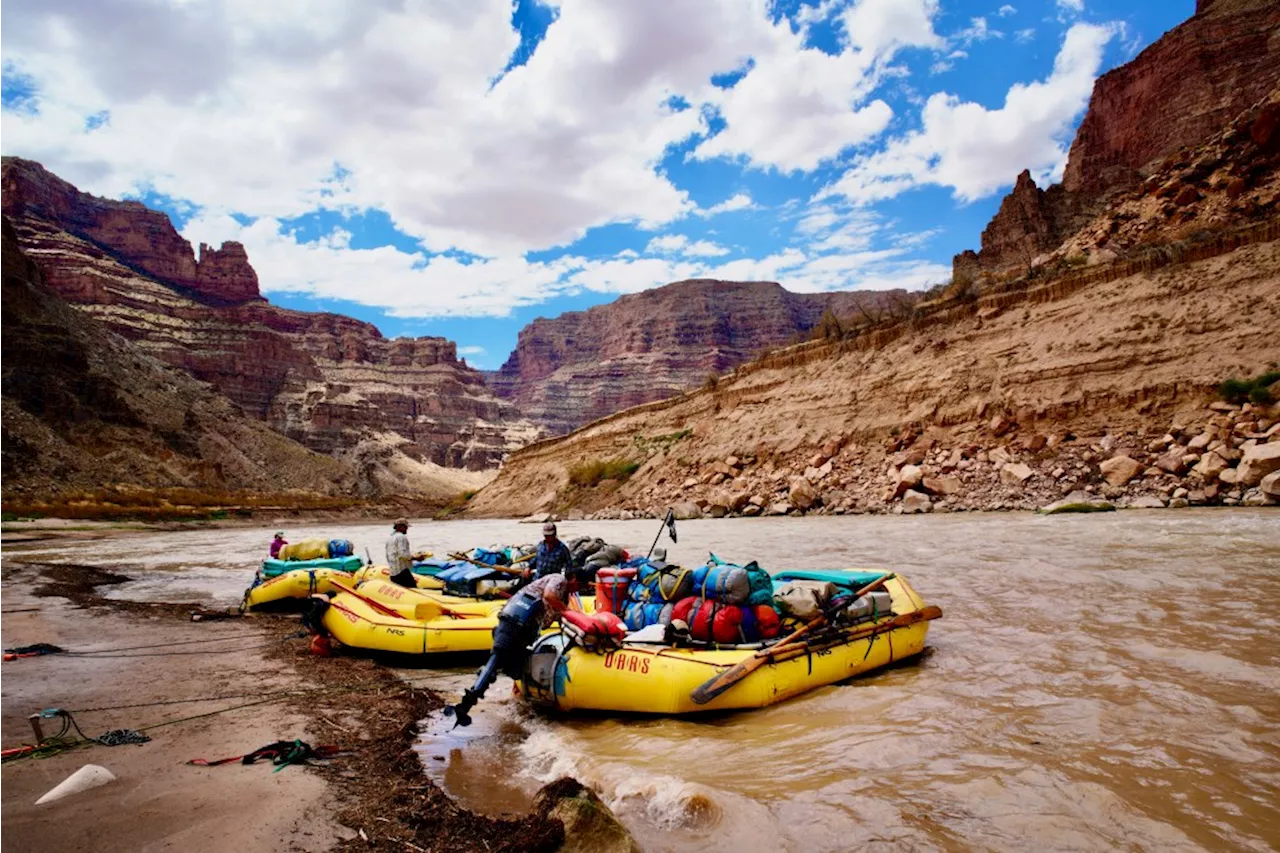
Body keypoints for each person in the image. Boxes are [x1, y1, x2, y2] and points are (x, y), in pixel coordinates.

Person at [445, 568, 579, 727]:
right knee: (499, 659)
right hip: (517, 623)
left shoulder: (561, 596)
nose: (579, 588)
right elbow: (549, 596)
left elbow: (547, 621)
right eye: (579, 582)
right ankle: (469, 700)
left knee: (502, 662)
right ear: (572, 578)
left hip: (516, 622)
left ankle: (473, 698)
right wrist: (566, 610)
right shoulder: (558, 579)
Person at [385, 519, 414, 587]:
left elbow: (388, 555)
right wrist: (415, 557)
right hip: (402, 572)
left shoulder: (390, 538)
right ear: (400, 527)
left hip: (393, 572)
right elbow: (403, 554)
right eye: (405, 527)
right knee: (413, 591)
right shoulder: (401, 537)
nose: (407, 529)